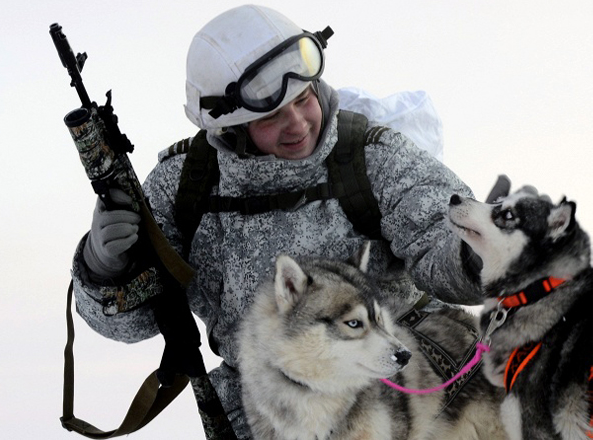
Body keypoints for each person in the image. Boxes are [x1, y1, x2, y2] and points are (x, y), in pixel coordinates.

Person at [70, 5, 484, 438]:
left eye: (304, 98)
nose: (298, 124)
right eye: (270, 117)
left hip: (411, 383)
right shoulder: (183, 185)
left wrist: (477, 256)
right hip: (268, 410)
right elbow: (134, 324)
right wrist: (104, 268)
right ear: (230, 127)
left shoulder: (370, 153)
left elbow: (439, 235)